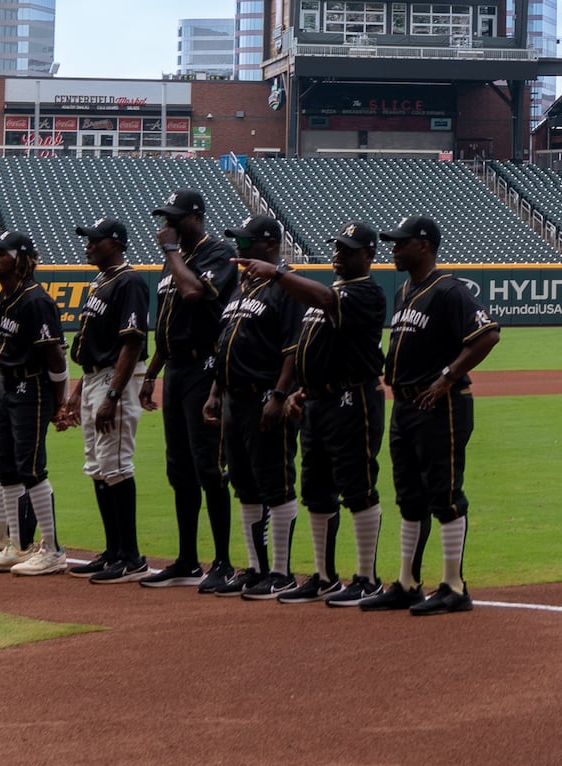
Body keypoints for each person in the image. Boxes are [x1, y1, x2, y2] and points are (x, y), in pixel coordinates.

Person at [371, 214, 499, 614]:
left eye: (401, 242)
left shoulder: (449, 290)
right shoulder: (406, 289)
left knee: (444, 494)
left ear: (423, 245)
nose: (394, 248)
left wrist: (447, 376)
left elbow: (488, 334)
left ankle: (454, 586)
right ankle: (408, 583)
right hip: (407, 405)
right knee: (409, 497)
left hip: (440, 405)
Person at [269, 224, 395, 606]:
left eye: (349, 249)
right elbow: (316, 347)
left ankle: (367, 578)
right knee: (316, 489)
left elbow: (323, 301)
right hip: (319, 401)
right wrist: (298, 389)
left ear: (369, 256)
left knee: (357, 485)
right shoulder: (333, 292)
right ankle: (325, 577)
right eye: (337, 247)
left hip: (353, 397)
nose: (339, 254)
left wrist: (279, 273)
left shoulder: (367, 292)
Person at [139, 190, 241, 591]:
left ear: (195, 218)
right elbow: (168, 322)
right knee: (179, 469)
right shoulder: (174, 262)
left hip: (204, 366)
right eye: (166, 217)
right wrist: (151, 373)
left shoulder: (217, 253)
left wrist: (171, 253)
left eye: (175, 218)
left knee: (209, 467)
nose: (168, 225)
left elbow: (195, 293)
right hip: (176, 368)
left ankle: (223, 562)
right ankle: (186, 559)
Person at [207, 216, 309, 598]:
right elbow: (226, 344)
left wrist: (279, 396)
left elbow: (294, 349)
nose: (239, 247)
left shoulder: (287, 287)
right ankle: (255, 567)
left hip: (265, 396)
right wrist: (216, 391)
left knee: (276, 484)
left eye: (246, 241)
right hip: (235, 398)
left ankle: (280, 572)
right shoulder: (243, 287)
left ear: (269, 245)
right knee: (245, 486)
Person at [0, 231, 71, 576]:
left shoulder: (35, 300)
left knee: (30, 468)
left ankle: (53, 549)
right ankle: (15, 545)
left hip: (33, 386)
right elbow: (4, 348)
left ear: (22, 259)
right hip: (9, 385)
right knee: (4, 466)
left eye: (1, 253)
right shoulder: (3, 298)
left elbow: (55, 357)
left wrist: (62, 402)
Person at [66, 218, 159, 582]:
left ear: (115, 243)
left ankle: (131, 556)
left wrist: (113, 395)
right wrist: (78, 392)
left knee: (116, 464)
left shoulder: (129, 281)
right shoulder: (100, 281)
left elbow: (132, 341)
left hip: (114, 379)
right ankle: (113, 551)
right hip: (94, 377)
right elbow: (91, 344)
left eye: (95, 240)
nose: (88, 245)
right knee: (98, 465)